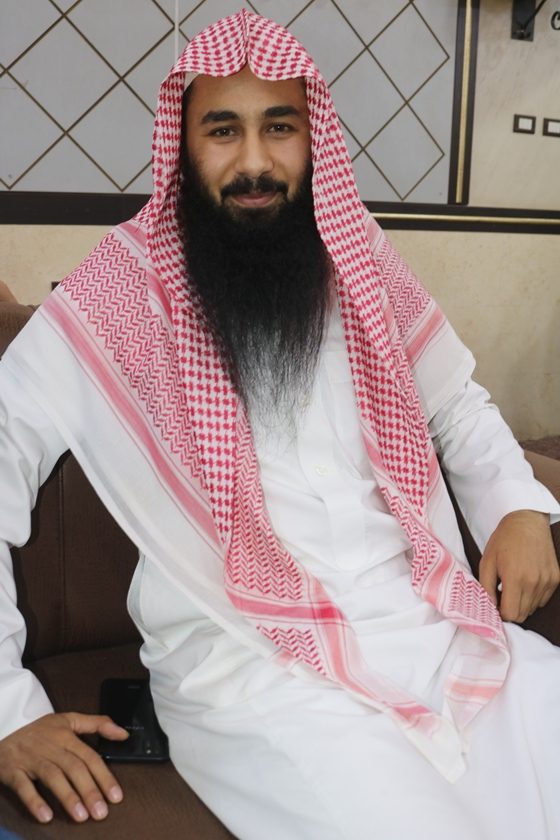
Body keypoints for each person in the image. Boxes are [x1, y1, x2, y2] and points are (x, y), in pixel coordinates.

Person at [0, 10, 559, 839]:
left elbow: (455, 401)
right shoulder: (114, 297)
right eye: (223, 130)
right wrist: (8, 711)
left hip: (427, 625)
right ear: (183, 145)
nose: (255, 162)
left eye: (280, 127)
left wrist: (516, 505)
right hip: (252, 669)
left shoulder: (356, 257)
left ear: (312, 137)